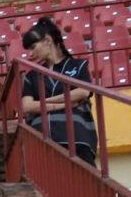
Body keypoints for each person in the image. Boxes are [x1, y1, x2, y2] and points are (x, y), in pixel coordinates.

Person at [19, 17, 96, 165]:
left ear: (48, 41)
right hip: (41, 141)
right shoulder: (32, 76)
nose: (30, 54)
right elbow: (27, 106)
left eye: (33, 46)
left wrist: (43, 103)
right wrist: (64, 104)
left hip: (77, 138)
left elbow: (83, 92)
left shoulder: (77, 65)